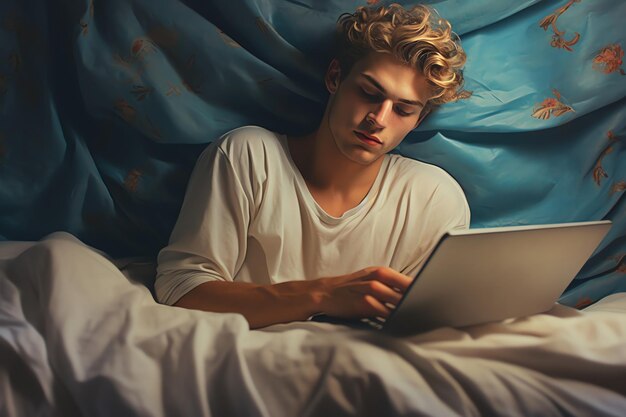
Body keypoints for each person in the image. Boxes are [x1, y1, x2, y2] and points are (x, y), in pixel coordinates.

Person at [155, 3, 470, 329]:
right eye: (367, 92)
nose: (377, 119)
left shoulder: (434, 198)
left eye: (403, 110)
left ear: (420, 119)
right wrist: (321, 295)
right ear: (335, 76)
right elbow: (181, 290)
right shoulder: (249, 156)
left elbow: (430, 323)